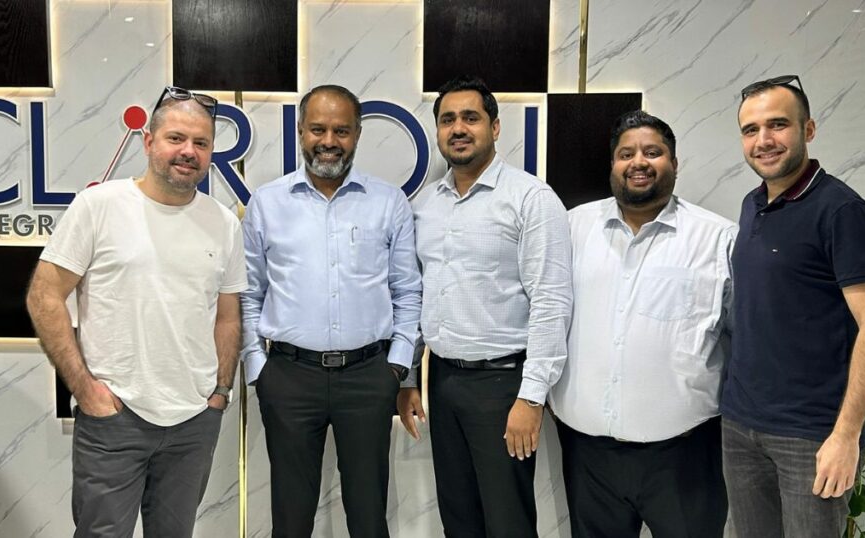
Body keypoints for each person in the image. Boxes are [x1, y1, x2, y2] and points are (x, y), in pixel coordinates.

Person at [25, 86, 243, 537]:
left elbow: (227, 316)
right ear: (148, 141)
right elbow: (44, 295)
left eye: (201, 143)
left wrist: (219, 393)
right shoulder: (99, 206)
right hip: (115, 418)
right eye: (176, 138)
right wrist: (85, 389)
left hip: (193, 422)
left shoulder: (223, 222)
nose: (188, 151)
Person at [241, 84, 421, 538]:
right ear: (300, 131)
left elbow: (407, 291)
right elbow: (248, 292)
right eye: (318, 129)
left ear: (357, 134)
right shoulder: (267, 202)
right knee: (291, 517)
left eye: (341, 130)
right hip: (288, 377)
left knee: (368, 515)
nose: (329, 141)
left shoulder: (388, 202)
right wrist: (259, 368)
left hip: (368, 377)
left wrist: (397, 366)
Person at [397, 75, 572, 538]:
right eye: (448, 120)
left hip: (503, 386)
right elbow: (419, 295)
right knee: (459, 518)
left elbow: (552, 301)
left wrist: (531, 397)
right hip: (443, 382)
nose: (458, 128)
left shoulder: (530, 199)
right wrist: (410, 378)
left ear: (495, 128)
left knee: (507, 521)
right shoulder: (426, 205)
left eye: (470, 118)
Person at [722, 75, 865, 537]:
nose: (763, 140)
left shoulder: (841, 210)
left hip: (812, 435)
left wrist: (846, 435)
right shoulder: (751, 204)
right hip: (741, 425)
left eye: (777, 125)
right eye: (751, 129)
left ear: (809, 129)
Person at [548, 110, 735, 537]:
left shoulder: (718, 239)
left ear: (674, 163)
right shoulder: (571, 228)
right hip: (587, 456)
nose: (638, 162)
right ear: (612, 164)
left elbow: (743, 340)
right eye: (626, 153)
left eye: (653, 152)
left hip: (686, 456)